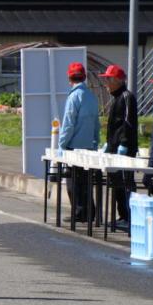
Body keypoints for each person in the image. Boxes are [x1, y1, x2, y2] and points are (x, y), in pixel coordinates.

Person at [58, 61, 100, 223]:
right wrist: (95, 142)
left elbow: (68, 123)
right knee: (86, 181)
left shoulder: (73, 97)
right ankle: (90, 212)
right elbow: (96, 122)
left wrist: (62, 144)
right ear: (84, 77)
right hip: (89, 145)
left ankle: (79, 212)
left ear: (69, 78)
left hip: (73, 146)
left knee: (73, 182)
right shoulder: (91, 96)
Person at [100, 64, 138, 229]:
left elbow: (129, 122)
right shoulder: (116, 98)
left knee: (125, 183)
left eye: (109, 79)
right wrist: (109, 143)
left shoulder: (127, 97)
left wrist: (123, 143)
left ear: (118, 80)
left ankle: (129, 216)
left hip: (124, 149)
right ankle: (122, 215)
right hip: (114, 148)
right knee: (116, 183)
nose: (106, 83)